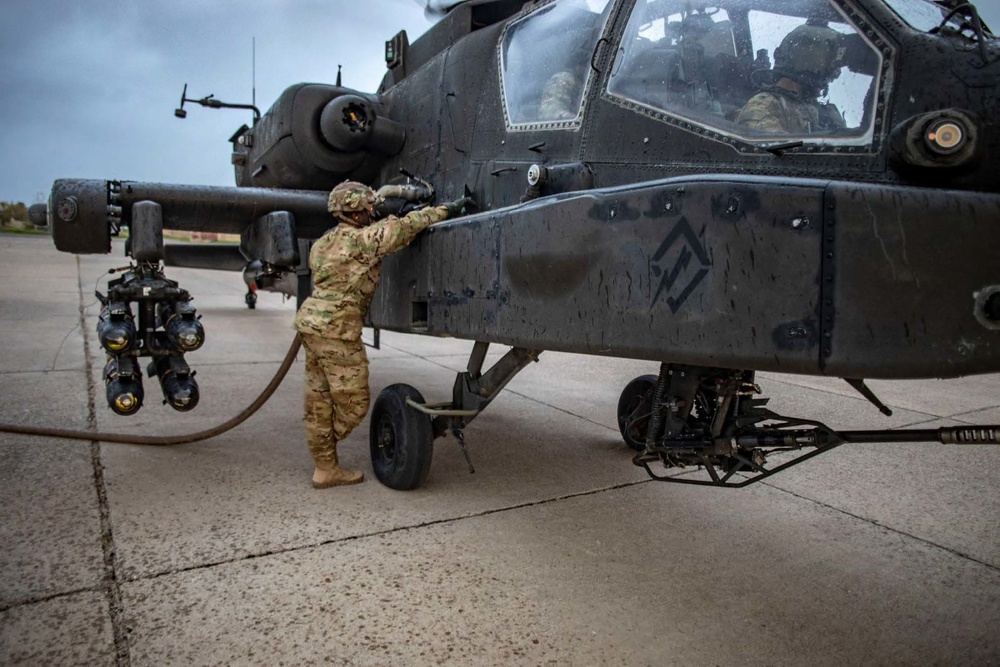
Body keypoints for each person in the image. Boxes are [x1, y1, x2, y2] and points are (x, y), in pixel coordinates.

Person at [293, 181, 472, 488]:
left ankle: (325, 468)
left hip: (311, 325)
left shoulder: (323, 243)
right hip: (336, 330)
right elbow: (407, 227)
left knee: (319, 400)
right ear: (357, 211)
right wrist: (447, 209)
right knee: (354, 405)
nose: (371, 211)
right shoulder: (364, 240)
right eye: (368, 208)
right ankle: (325, 446)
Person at [735, 21, 847, 135]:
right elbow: (777, 150)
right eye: (831, 68)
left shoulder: (823, 112)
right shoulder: (762, 107)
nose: (836, 74)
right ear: (810, 64)